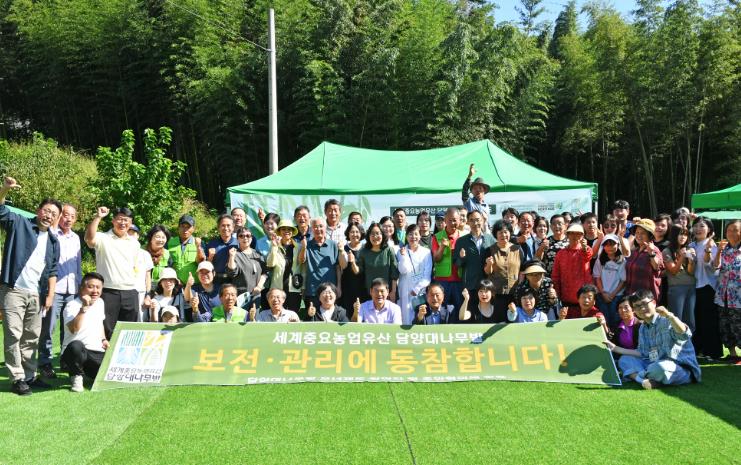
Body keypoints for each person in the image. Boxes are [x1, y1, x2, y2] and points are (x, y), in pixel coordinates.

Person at [0, 177, 61, 395]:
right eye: (46, 211)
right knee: (13, 334)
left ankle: (29, 376)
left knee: (31, 337)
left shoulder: (53, 242)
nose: (49, 215)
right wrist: (5, 189)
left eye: (53, 214)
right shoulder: (20, 223)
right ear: (38, 211)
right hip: (13, 290)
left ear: (57, 218)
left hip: (36, 294)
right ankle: (17, 378)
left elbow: (52, 270)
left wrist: (50, 295)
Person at [604, 289, 701, 389]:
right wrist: (615, 348)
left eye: (644, 304)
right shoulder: (642, 327)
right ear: (634, 310)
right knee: (624, 360)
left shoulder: (667, 319)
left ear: (654, 303)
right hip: (653, 364)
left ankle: (639, 377)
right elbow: (643, 352)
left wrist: (669, 315)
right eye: (637, 306)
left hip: (678, 366)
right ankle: (646, 381)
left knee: (661, 367)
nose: (642, 308)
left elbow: (684, 334)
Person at [38, 203, 81, 379]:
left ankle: (66, 359)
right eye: (65, 215)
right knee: (48, 328)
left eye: (72, 216)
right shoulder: (51, 233)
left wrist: (79, 287)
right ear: (58, 216)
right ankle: (45, 363)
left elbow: (77, 264)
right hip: (54, 290)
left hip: (72, 290)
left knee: (69, 328)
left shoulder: (75, 238)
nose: (68, 219)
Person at [85, 205, 141, 340]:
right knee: (107, 330)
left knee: (129, 332)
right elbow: (89, 239)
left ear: (131, 223)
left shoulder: (134, 243)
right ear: (113, 221)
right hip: (109, 291)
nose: (123, 223)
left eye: (126, 220)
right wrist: (98, 217)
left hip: (130, 292)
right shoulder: (102, 237)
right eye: (120, 219)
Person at [60, 272, 109, 393]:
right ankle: (76, 377)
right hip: (74, 353)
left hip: (95, 352)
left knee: (108, 374)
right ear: (81, 288)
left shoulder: (100, 302)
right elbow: (74, 329)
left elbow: (100, 323)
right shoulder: (71, 305)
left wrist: (103, 339)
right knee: (76, 345)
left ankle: (86, 372)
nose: (95, 291)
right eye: (91, 287)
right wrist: (83, 308)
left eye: (98, 287)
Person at [688, 216, 721, 361]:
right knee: (698, 320)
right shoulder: (692, 245)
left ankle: (713, 351)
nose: (698, 229)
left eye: (702, 226)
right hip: (694, 286)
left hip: (708, 286)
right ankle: (700, 349)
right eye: (695, 226)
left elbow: (713, 267)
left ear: (709, 230)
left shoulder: (712, 245)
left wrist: (707, 251)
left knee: (709, 320)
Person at [454, 211, 495, 314]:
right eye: (472, 220)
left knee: (486, 313)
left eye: (477, 220)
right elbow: (457, 264)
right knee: (470, 314)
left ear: (483, 220)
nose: (475, 223)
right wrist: (461, 257)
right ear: (467, 222)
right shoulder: (461, 241)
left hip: (486, 285)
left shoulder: (490, 239)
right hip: (470, 285)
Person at [484, 219, 524, 320]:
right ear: (496, 235)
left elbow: (522, 269)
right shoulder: (489, 250)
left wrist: (520, 286)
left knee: (515, 321)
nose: (503, 235)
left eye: (506, 232)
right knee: (499, 321)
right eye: (500, 233)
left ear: (510, 233)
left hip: (515, 293)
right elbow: (487, 272)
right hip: (497, 294)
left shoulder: (518, 249)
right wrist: (489, 264)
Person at [300, 217, 342, 310]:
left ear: (325, 228)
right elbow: (301, 261)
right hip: (312, 291)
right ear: (312, 229)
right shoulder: (307, 245)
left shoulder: (333, 245)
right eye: (315, 226)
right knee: (313, 317)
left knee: (330, 317)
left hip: (331, 292)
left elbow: (338, 267)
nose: (318, 229)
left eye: (321, 226)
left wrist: (339, 286)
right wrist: (303, 248)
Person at [713, 219, 740, 363]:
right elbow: (715, 267)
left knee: (738, 326)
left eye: (735, 230)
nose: (731, 233)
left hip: (738, 296)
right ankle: (733, 354)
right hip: (722, 295)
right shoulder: (723, 249)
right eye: (729, 230)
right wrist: (718, 251)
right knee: (725, 325)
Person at [351, 222, 399, 302]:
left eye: (378, 233)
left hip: (387, 294)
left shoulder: (389, 250)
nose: (375, 236)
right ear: (369, 236)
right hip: (369, 294)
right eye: (372, 234)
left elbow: (394, 273)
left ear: (382, 235)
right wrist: (352, 262)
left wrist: (393, 292)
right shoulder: (364, 251)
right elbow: (358, 271)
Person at [397, 224, 433, 324]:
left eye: (416, 234)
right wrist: (403, 257)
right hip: (405, 289)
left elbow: (427, 274)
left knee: (420, 316)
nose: (413, 237)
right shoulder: (401, 251)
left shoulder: (426, 252)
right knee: (405, 317)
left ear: (420, 236)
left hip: (420, 291)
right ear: (406, 236)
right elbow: (403, 270)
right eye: (410, 234)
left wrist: (417, 289)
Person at [663, 224, 696, 331]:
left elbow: (691, 272)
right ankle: (675, 341)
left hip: (691, 287)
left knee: (690, 320)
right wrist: (682, 257)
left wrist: (691, 260)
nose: (683, 237)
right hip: (676, 288)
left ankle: (689, 341)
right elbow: (673, 271)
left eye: (685, 235)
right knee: (676, 319)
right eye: (680, 234)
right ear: (674, 235)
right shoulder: (667, 251)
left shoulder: (690, 249)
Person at [432, 207, 464, 314]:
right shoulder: (437, 237)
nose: (452, 223)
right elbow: (436, 259)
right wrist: (441, 247)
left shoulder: (464, 236)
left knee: (460, 310)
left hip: (460, 280)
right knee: (441, 311)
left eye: (455, 220)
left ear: (459, 220)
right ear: (445, 220)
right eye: (449, 220)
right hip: (442, 281)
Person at [266, 219, 303, 311]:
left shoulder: (299, 247)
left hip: (294, 287)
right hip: (277, 288)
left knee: (293, 315)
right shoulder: (274, 245)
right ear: (279, 231)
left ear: (292, 232)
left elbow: (303, 267)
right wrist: (274, 247)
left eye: (289, 229)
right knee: (277, 314)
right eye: (283, 229)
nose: (286, 231)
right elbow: (270, 264)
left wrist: (303, 287)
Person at [227, 226, 267, 309]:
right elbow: (232, 272)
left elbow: (265, 273)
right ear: (237, 239)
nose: (245, 238)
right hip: (240, 297)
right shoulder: (235, 254)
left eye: (248, 235)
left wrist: (259, 287)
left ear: (251, 238)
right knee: (241, 316)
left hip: (256, 295)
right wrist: (231, 257)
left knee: (254, 316)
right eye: (241, 236)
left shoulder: (258, 254)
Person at [624, 219, 664, 300]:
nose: (639, 235)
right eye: (637, 232)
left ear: (650, 235)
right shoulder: (635, 251)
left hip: (646, 299)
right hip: (631, 295)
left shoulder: (654, 250)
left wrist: (651, 253)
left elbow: (657, 267)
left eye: (643, 233)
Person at [592, 234, 626, 327]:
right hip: (602, 294)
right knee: (604, 318)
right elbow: (597, 277)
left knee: (615, 318)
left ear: (618, 245)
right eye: (606, 245)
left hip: (617, 295)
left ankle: (615, 334)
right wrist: (603, 293)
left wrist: (613, 294)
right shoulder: (600, 260)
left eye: (612, 244)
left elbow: (623, 281)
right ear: (603, 247)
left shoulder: (622, 261)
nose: (610, 247)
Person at [166, 214, 205, 286]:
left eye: (188, 227)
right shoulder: (169, 243)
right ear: (178, 227)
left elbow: (202, 262)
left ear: (193, 229)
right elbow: (166, 264)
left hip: (194, 285)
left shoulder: (199, 243)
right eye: (182, 226)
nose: (185, 230)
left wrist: (198, 246)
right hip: (175, 285)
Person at [204, 214, 239, 287]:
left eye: (228, 225)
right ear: (218, 228)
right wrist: (210, 257)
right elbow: (206, 266)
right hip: (216, 281)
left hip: (235, 280)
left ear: (233, 227)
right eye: (223, 225)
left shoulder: (238, 243)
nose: (226, 228)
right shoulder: (211, 244)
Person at [128, 224, 153, 321]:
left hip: (140, 292)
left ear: (138, 236)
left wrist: (148, 295)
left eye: (133, 234)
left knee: (140, 321)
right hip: (125, 291)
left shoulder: (145, 254)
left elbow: (148, 277)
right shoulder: (118, 252)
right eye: (127, 233)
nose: (130, 236)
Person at [461, 163, 490, 229]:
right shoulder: (468, 202)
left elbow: (487, 223)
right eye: (475, 188)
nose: (478, 190)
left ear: (484, 191)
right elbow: (464, 191)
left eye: (480, 188)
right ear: (471, 192)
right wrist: (469, 176)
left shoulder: (486, 206)